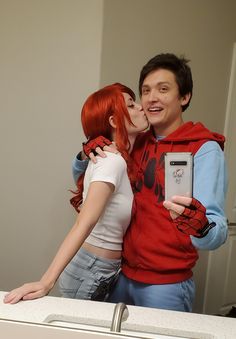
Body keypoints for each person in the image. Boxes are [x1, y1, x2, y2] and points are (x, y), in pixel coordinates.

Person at [71, 53, 228, 312]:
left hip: (166, 286)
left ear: (184, 97)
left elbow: (217, 228)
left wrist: (202, 228)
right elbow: (86, 178)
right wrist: (86, 152)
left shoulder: (204, 149)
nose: (151, 98)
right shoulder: (134, 140)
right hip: (120, 277)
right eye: (145, 90)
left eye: (163, 89)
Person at [3, 83, 149, 304]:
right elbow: (85, 222)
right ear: (113, 121)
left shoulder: (113, 157)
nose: (141, 107)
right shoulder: (111, 161)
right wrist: (46, 281)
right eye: (131, 105)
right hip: (90, 270)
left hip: (100, 269)